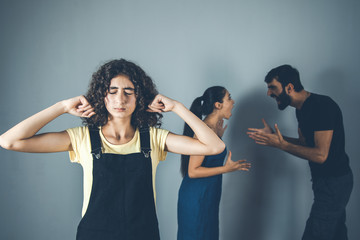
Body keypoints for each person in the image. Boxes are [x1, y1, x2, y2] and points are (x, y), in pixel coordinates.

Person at [0, 59, 225, 240]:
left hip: (143, 235)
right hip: (94, 235)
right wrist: (61, 107)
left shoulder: (155, 138)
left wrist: (177, 106)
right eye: (112, 90)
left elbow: (215, 147)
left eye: (129, 91)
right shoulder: (83, 138)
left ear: (139, 97)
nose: (120, 99)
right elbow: (9, 141)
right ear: (102, 96)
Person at [247, 64, 353, 240]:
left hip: (335, 183)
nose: (269, 94)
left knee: (317, 233)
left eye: (272, 87)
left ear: (289, 87)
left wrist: (281, 145)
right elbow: (305, 143)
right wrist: (276, 138)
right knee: (336, 233)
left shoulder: (322, 106)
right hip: (323, 182)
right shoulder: (300, 110)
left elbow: (320, 155)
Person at [177, 86, 251, 240]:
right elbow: (193, 171)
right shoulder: (204, 131)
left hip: (208, 195)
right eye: (229, 98)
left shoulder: (212, 130)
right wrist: (226, 169)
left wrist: (218, 138)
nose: (233, 101)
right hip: (197, 197)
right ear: (218, 105)